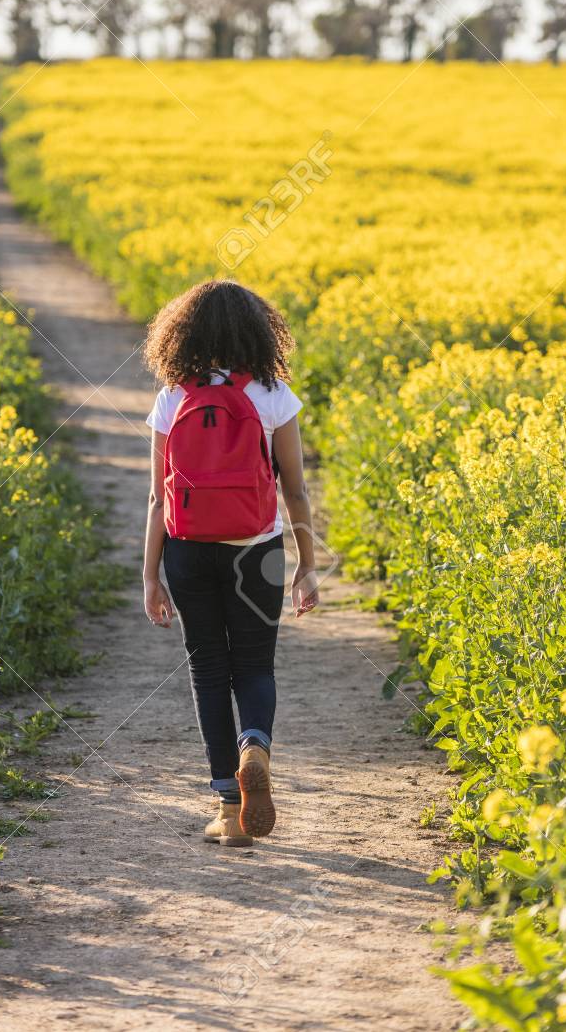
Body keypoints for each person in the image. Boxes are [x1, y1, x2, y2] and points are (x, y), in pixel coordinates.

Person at [142, 279, 320, 847]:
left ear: (182, 334)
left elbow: (157, 498)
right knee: (255, 665)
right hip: (258, 549)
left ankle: (227, 806)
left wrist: (150, 575)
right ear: (258, 332)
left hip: (188, 550)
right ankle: (255, 747)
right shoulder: (273, 395)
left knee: (208, 670)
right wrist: (306, 564)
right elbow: (295, 490)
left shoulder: (174, 395)